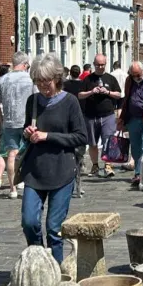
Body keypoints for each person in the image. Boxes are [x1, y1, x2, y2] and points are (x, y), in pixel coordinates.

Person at [18, 54, 87, 264]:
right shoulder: (33, 101)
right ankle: (39, 261)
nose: (41, 86)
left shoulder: (70, 102)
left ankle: (55, 272)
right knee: (29, 222)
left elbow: (80, 137)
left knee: (54, 228)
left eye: (45, 81)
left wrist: (49, 136)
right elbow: (25, 131)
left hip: (62, 169)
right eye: (37, 81)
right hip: (35, 170)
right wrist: (27, 132)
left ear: (57, 78)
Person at [0, 52, 35, 198]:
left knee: (11, 154)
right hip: (27, 122)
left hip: (9, 122)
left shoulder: (2, 80)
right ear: (25, 64)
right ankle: (24, 182)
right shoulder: (30, 80)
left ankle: (12, 189)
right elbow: (36, 100)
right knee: (27, 153)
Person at [79, 54, 122, 178]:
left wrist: (107, 92)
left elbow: (119, 94)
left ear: (106, 64)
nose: (100, 67)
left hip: (108, 114)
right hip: (91, 115)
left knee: (108, 141)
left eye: (102, 65)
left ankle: (108, 165)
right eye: (98, 65)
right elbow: (80, 95)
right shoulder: (88, 79)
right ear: (94, 64)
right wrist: (91, 92)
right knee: (92, 142)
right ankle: (95, 165)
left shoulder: (111, 78)